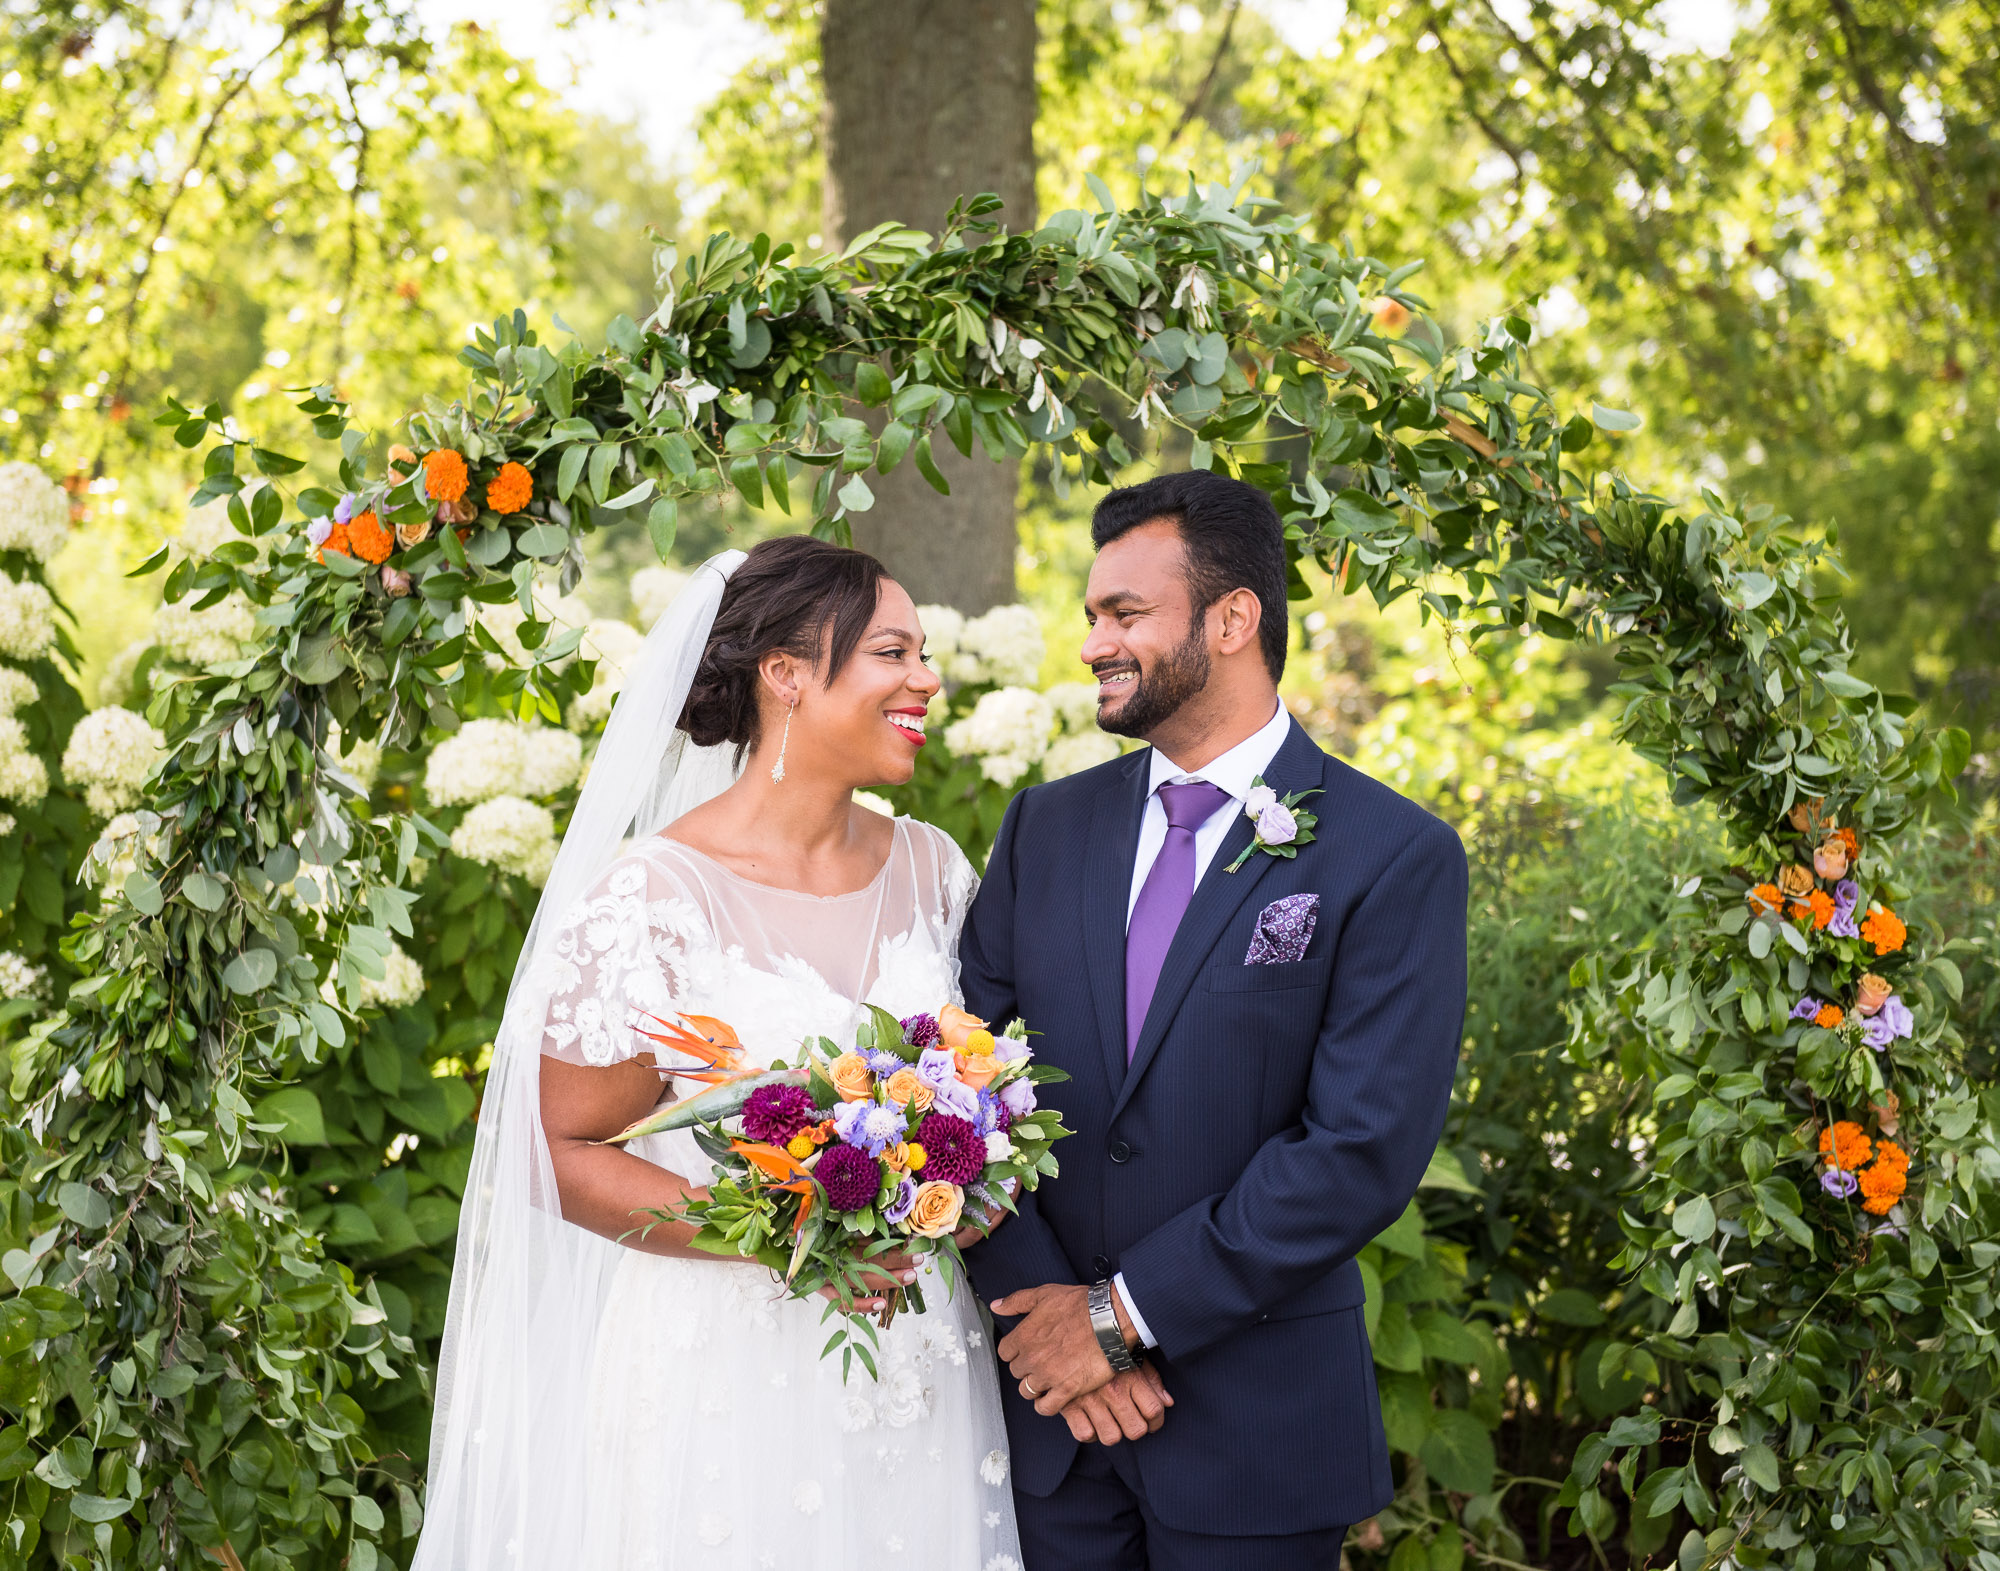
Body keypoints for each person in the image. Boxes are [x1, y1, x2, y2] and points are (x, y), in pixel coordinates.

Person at [413, 538, 1023, 1570]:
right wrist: (786, 1235)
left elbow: (972, 1085)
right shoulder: (653, 895)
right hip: (721, 1370)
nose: (925, 677)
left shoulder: (932, 866)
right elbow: (552, 1150)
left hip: (917, 1356)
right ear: (785, 673)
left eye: (922, 653)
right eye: (892, 651)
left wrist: (977, 1174)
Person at [961, 470, 1469, 1570]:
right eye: (1092, 613)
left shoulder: (1391, 856)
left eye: (1123, 614)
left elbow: (1356, 1151)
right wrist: (1046, 1319)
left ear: (1232, 618)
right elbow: (962, 1090)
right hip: (1052, 1433)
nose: (1093, 639)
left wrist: (1115, 1318)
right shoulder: (1043, 828)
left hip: (1257, 1432)